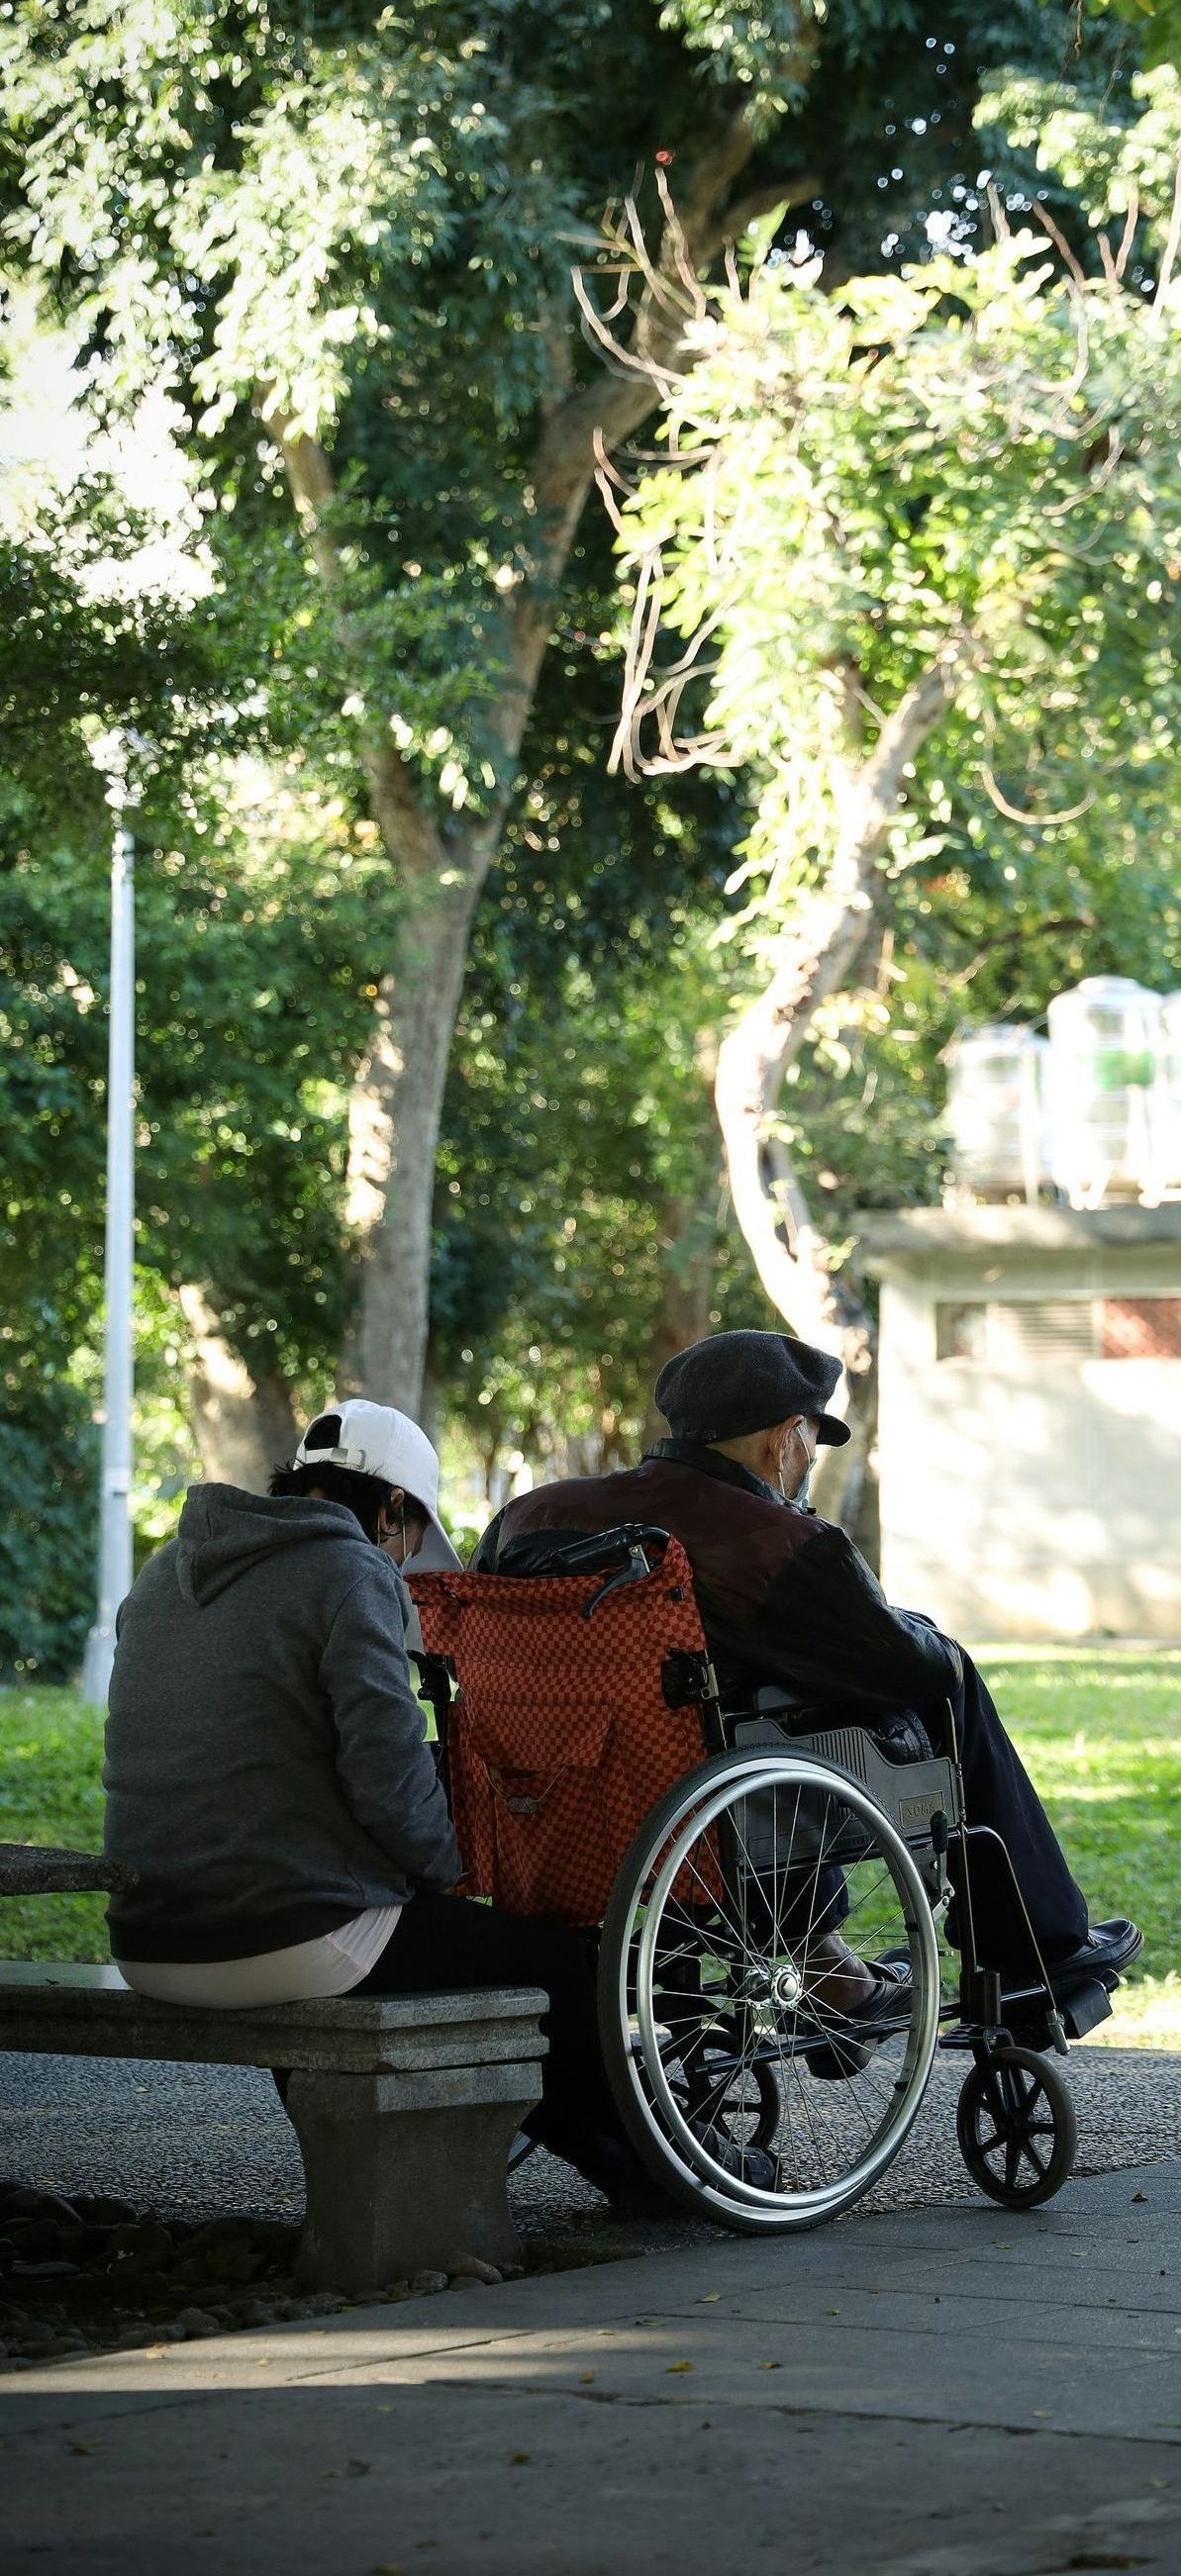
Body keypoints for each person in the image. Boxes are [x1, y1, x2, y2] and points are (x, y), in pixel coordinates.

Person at [103, 1398, 700, 2208]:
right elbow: (386, 1774)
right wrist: (448, 1870)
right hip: (286, 1936)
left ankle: (623, 2169)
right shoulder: (351, 1570)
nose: (407, 1553)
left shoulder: (163, 1571)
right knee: (559, 1967)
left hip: (149, 1939)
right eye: (410, 1530)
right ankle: (673, 2171)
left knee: (461, 1957)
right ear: (390, 1506)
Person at [474, 1329, 1142, 2048]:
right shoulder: (774, 1538)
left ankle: (837, 1972)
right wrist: (924, 1635)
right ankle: (1036, 1947)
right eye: (810, 1444)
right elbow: (909, 1667)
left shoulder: (528, 1516)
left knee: (743, 1729)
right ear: (786, 1438)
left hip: (551, 1802)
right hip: (709, 1810)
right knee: (950, 1679)